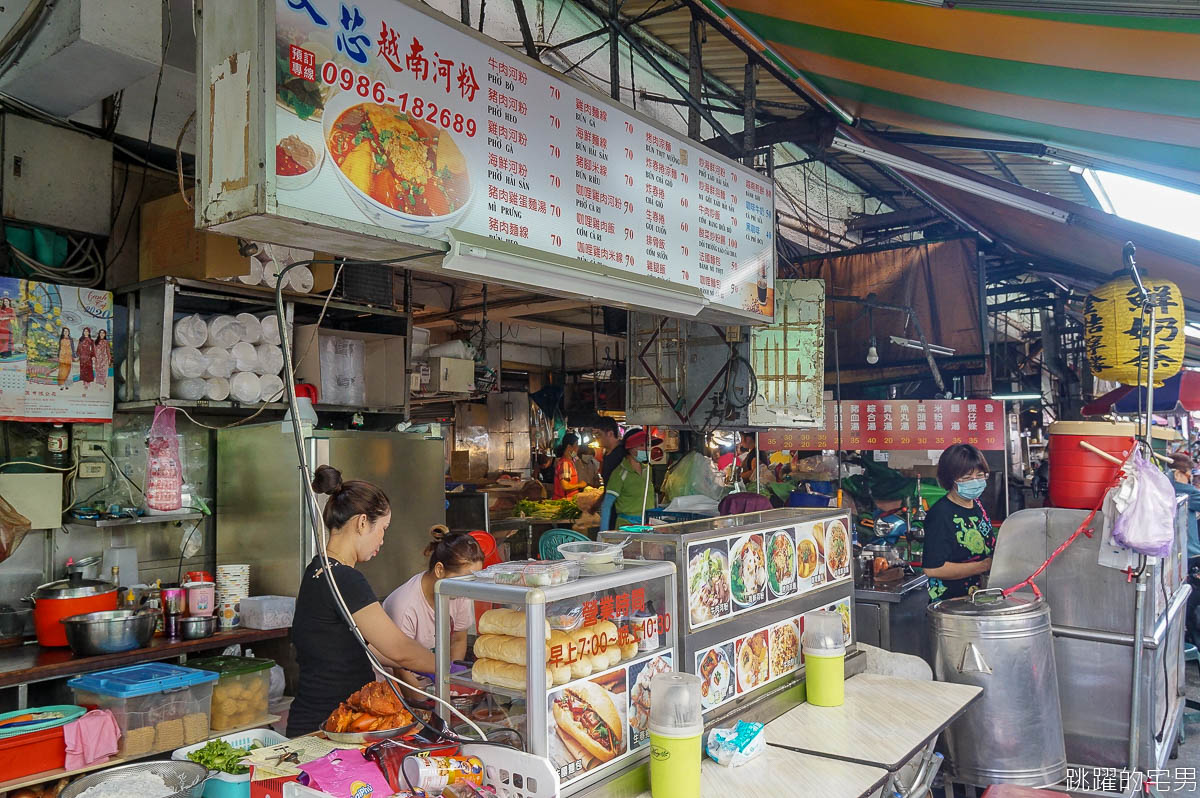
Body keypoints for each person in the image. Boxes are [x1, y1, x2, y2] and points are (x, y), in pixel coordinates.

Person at [288, 465, 438, 736]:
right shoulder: (345, 579)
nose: (382, 538)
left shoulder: (317, 570)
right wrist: (452, 668)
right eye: (382, 528)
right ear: (361, 523)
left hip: (315, 720)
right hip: (330, 727)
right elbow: (398, 648)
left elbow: (355, 646)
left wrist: (418, 665)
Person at [382, 526, 484, 665]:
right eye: (465, 579)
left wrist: (451, 678)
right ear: (439, 570)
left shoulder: (460, 593)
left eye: (474, 580)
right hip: (398, 681)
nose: (468, 587)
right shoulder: (405, 605)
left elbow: (458, 640)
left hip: (435, 677)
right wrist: (422, 687)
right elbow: (400, 664)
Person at [922, 443, 996, 602]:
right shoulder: (941, 514)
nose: (975, 482)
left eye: (980, 476)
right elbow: (933, 569)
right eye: (967, 478)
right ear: (950, 479)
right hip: (952, 605)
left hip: (978, 599)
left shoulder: (976, 504)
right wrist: (983, 566)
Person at [599, 429, 659, 530]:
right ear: (630, 448)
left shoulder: (648, 470)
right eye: (641, 446)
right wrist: (602, 534)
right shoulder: (620, 473)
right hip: (627, 527)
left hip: (648, 525)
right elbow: (606, 506)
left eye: (647, 445)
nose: (646, 449)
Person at [552, 433, 587, 500]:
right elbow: (565, 486)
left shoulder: (570, 460)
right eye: (576, 445)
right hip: (564, 501)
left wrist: (574, 455)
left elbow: (574, 456)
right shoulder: (565, 464)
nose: (578, 447)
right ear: (569, 447)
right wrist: (580, 484)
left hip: (568, 500)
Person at [595, 417, 625, 486]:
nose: (596, 438)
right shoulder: (607, 454)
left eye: (599, 434)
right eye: (595, 435)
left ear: (610, 434)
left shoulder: (621, 454)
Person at [76, 328, 95, 392]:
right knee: (83, 369)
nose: (86, 332)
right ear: (83, 332)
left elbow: (93, 349)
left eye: (87, 331)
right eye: (85, 331)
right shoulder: (81, 339)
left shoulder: (91, 340)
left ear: (89, 332)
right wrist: (78, 355)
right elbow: (78, 348)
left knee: (89, 369)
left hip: (88, 357)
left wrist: (93, 356)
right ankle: (84, 381)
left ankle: (88, 382)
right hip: (82, 357)